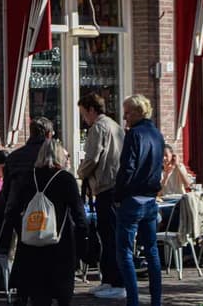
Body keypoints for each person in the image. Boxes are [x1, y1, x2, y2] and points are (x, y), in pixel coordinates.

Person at [1, 139, 85, 306]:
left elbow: (11, 211)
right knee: (62, 295)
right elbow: (79, 214)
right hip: (61, 244)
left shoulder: (27, 177)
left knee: (39, 295)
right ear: (61, 157)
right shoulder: (66, 179)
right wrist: (82, 240)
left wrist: (23, 229)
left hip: (31, 244)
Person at [115, 94, 165, 306]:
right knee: (152, 251)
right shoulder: (157, 135)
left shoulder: (134, 134)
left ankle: (133, 301)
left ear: (137, 112)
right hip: (151, 200)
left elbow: (127, 168)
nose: (124, 118)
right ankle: (156, 300)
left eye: (127, 113)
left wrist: (118, 195)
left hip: (132, 200)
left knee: (124, 252)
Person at [76, 92, 126, 299]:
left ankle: (117, 283)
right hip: (115, 186)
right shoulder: (115, 126)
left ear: (91, 109)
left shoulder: (98, 128)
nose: (83, 119)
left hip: (106, 187)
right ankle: (109, 280)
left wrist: (80, 172)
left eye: (83, 113)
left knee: (109, 236)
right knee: (109, 235)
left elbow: (92, 157)